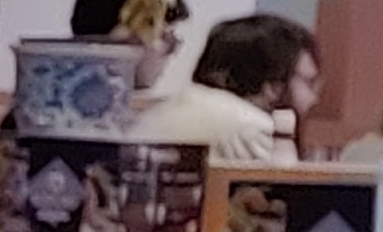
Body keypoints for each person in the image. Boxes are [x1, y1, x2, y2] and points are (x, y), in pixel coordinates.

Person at [129, 10, 319, 162]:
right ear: (273, 85)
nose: (314, 98)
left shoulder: (170, 107)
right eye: (309, 82)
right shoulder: (253, 129)